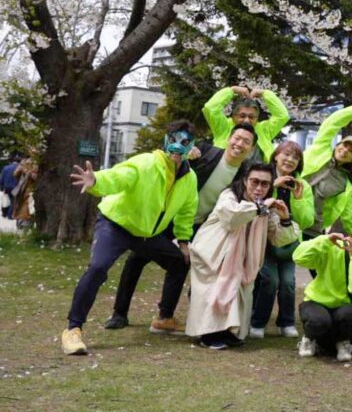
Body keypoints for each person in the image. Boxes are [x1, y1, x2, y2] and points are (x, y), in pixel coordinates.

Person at [61, 121, 199, 356]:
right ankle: (73, 329)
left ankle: (164, 318)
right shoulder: (146, 163)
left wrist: (184, 241)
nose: (177, 146)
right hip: (116, 225)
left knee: (179, 261)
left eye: (184, 142)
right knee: (98, 268)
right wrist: (96, 181)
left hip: (146, 234)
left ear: (191, 146)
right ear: (166, 140)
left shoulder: (189, 178)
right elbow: (119, 176)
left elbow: (187, 210)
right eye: (173, 140)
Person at [105, 123, 258, 332]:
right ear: (229, 139)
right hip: (170, 216)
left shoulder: (245, 173)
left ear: (251, 149)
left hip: (201, 227)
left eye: (246, 142)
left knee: (186, 264)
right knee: (137, 259)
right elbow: (175, 160)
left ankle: (166, 316)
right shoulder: (206, 152)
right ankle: (119, 313)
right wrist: (188, 155)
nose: (239, 144)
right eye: (237, 138)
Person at [186, 162, 299, 349]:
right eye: (255, 181)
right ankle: (208, 335)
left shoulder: (266, 205)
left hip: (242, 259)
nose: (259, 188)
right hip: (214, 254)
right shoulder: (229, 195)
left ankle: (226, 332)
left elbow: (280, 238)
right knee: (214, 293)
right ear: (245, 180)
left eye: (265, 184)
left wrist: (285, 219)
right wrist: (260, 207)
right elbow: (232, 218)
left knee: (236, 295)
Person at [292, 217, 352, 360]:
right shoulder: (336, 247)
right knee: (319, 320)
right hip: (316, 303)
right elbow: (299, 258)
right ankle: (309, 339)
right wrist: (325, 240)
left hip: (344, 307)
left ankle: (342, 341)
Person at [250, 141, 315, 339]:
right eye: (286, 154)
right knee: (269, 280)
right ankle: (257, 323)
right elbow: (252, 204)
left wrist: (298, 198)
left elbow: (306, 221)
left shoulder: (302, 185)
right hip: (265, 240)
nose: (290, 160)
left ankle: (286, 322)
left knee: (288, 282)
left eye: (295, 157)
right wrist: (273, 186)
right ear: (276, 156)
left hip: (288, 242)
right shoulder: (265, 178)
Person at [301, 105, 352, 250]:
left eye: (351, 151)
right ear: (337, 145)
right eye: (344, 145)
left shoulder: (345, 184)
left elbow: (349, 217)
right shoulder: (320, 151)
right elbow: (331, 124)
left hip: (312, 227)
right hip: (290, 215)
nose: (345, 150)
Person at [203, 85, 290, 162]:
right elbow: (210, 108)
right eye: (242, 116)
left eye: (251, 117)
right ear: (233, 116)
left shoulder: (264, 130)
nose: (247, 120)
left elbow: (282, 116)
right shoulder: (223, 127)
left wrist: (265, 93)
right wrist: (232, 90)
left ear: (257, 118)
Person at [11, 156, 37, 227]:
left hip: (31, 190)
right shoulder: (24, 161)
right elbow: (15, 174)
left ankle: (25, 224)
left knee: (29, 207)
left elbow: (36, 177)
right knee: (22, 207)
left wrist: (28, 172)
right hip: (23, 189)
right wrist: (22, 170)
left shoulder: (36, 162)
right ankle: (22, 223)